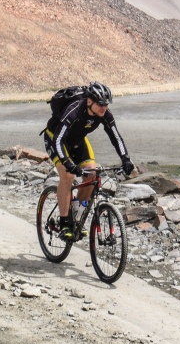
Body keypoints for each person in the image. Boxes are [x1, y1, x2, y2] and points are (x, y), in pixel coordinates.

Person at [43, 82, 135, 241]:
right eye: (100, 104)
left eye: (106, 104)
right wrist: (68, 163)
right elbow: (58, 139)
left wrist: (125, 158)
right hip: (55, 139)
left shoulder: (105, 114)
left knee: (91, 175)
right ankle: (64, 224)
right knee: (68, 176)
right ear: (89, 101)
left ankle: (76, 218)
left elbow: (116, 137)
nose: (104, 108)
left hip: (77, 142)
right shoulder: (74, 111)